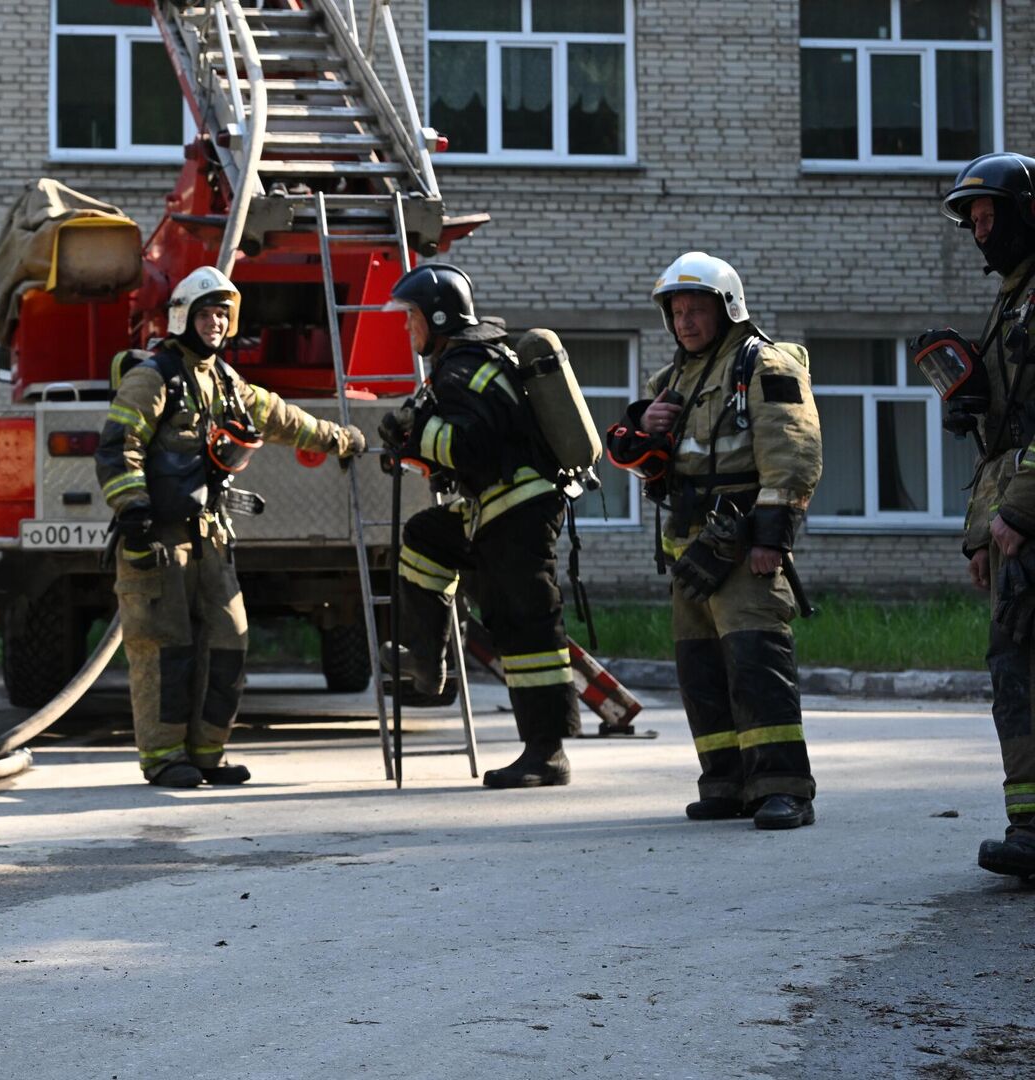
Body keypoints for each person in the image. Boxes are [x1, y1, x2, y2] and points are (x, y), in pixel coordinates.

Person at [96, 266, 366, 788]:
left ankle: (205, 754)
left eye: (223, 314)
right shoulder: (152, 377)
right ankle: (163, 758)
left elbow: (282, 418)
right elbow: (118, 447)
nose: (216, 323)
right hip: (157, 540)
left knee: (229, 640)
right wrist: (132, 509)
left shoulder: (225, 381)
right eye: (206, 313)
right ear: (183, 317)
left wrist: (339, 438)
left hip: (210, 537)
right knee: (165, 648)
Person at [604, 252, 821, 830]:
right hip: (689, 550)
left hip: (745, 541)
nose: (685, 323)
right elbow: (646, 463)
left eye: (696, 310)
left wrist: (771, 538)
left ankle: (783, 787)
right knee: (700, 670)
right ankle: (725, 782)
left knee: (756, 661)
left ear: (727, 309)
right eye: (676, 313)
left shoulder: (763, 364)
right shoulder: (671, 380)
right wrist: (643, 430)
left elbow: (792, 457)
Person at [377, 265, 582, 788]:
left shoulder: (461, 366)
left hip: (519, 510)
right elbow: (473, 446)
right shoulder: (466, 360)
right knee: (423, 539)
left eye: (413, 318)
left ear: (438, 317)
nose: (408, 329)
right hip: (495, 507)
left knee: (527, 627)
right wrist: (411, 442)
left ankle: (546, 753)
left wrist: (416, 431)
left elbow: (472, 447)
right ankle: (430, 661)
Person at [934, 153, 1035, 877]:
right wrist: (981, 534)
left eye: (990, 216)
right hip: (1010, 521)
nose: (980, 232)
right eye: (973, 221)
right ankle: (1028, 825)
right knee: (1013, 669)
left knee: (1024, 664)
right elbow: (1003, 436)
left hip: (1029, 517)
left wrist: (1022, 513)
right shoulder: (1013, 299)